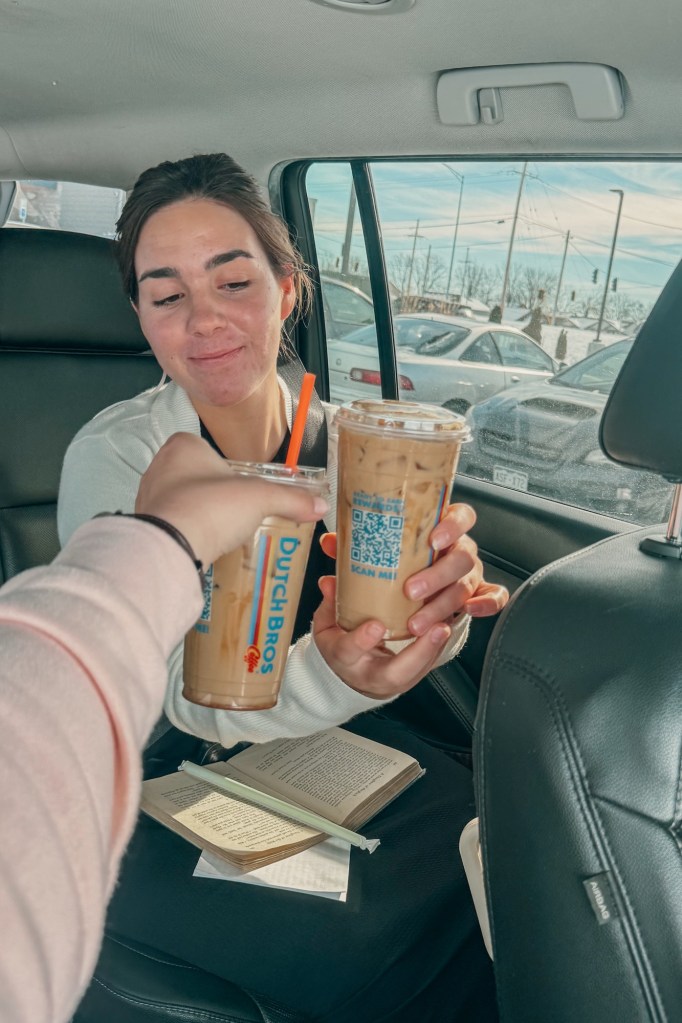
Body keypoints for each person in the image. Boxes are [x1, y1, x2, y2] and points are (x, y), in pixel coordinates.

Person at [58, 153, 507, 1021]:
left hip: (330, 754)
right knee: (380, 937)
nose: (206, 319)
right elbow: (160, 696)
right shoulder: (121, 456)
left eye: (234, 281)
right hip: (163, 779)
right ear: (141, 317)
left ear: (288, 288)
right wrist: (333, 676)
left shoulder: (358, 446)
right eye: (167, 295)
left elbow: (393, 617)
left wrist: (440, 606)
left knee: (500, 849)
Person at [1, 433, 328, 1023]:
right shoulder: (118, 447)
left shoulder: (335, 441)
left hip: (292, 760)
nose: (204, 332)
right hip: (151, 782)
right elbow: (186, 692)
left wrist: (351, 670)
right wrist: (164, 538)